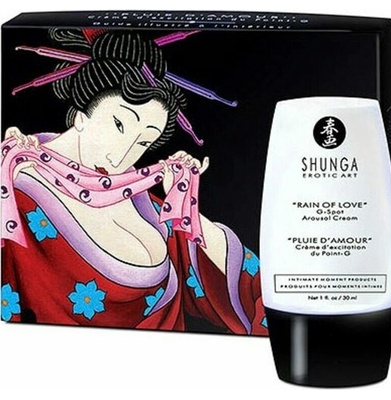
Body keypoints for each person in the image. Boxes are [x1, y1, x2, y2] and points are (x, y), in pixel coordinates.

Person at [1, 29, 268, 335]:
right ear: (80, 116)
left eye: (143, 143)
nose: (120, 157)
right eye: (119, 125)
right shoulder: (16, 193)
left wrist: (182, 202)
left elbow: (249, 288)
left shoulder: (144, 203)